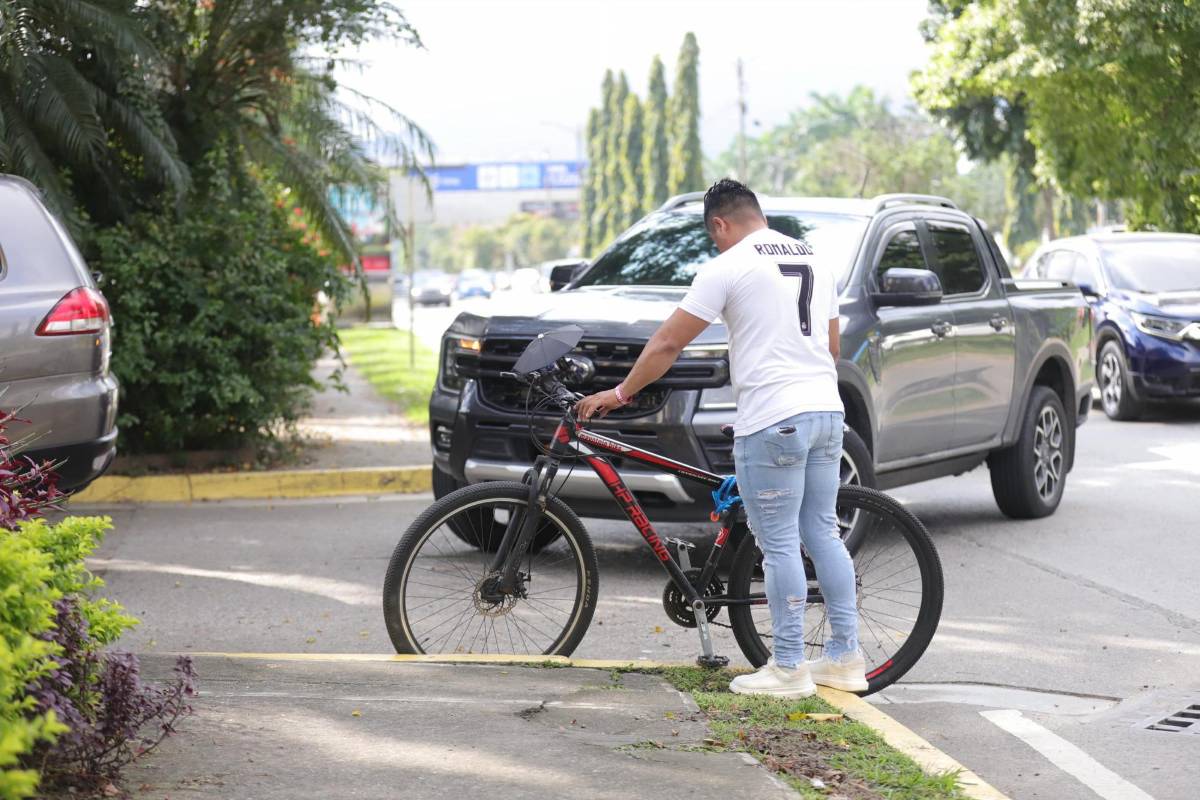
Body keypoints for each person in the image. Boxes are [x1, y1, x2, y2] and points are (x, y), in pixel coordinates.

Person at [575, 178, 865, 697]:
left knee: (777, 546)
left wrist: (618, 395)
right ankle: (845, 657)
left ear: (719, 224)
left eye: (714, 236)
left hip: (774, 417)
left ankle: (789, 666)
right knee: (823, 534)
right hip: (826, 412)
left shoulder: (727, 266)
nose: (716, 243)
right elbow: (833, 344)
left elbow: (667, 343)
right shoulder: (815, 259)